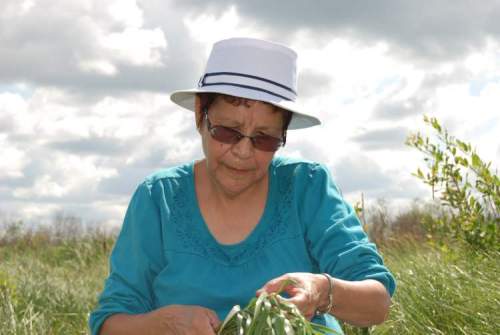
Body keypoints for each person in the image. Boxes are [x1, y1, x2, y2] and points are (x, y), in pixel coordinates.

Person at [89, 37, 396, 335]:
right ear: (200, 114)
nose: (244, 151)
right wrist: (162, 325)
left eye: (265, 138)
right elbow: (111, 322)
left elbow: (377, 302)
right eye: (227, 131)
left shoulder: (309, 187)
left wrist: (321, 291)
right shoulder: (158, 198)